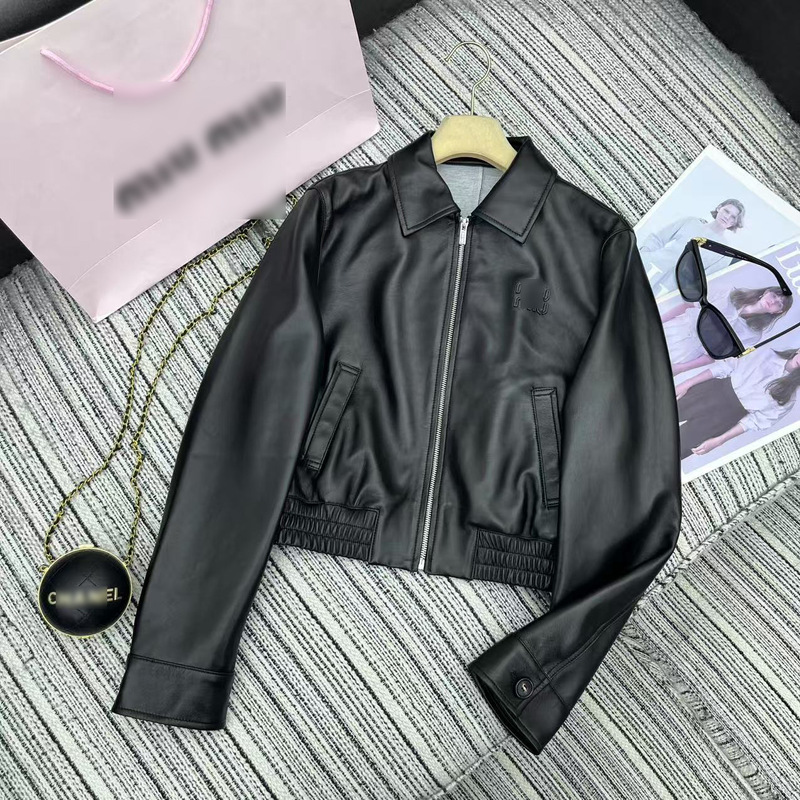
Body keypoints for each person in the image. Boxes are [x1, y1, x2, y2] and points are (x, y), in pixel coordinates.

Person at [674, 345, 800, 459]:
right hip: (708, 391)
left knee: (674, 448)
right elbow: (725, 366)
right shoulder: (766, 352)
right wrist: (687, 383)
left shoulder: (788, 398)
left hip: (722, 419)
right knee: (663, 413)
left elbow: (753, 422)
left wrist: (719, 441)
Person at [660, 283, 793, 375]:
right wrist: (658, 320)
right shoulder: (730, 293)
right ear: (766, 292)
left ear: (777, 312)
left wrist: (681, 368)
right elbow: (688, 305)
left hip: (685, 353)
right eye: (774, 296)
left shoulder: (753, 334)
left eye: (779, 304)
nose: (773, 301)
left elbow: (713, 356)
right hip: (674, 329)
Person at [641, 199, 746, 295]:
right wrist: (645, 253)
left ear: (734, 222)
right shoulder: (691, 221)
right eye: (726, 211)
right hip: (649, 266)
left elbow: (705, 280)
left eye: (733, 217)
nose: (727, 217)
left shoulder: (725, 253)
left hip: (668, 288)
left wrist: (679, 294)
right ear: (719, 208)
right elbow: (658, 238)